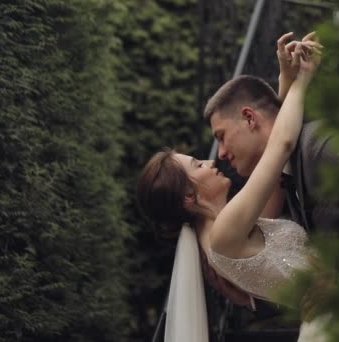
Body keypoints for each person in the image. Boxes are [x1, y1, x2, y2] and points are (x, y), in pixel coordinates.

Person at [137, 37, 322, 342]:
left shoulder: (233, 227)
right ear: (188, 195)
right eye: (197, 165)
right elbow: (281, 143)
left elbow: (270, 150)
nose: (213, 161)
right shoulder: (224, 235)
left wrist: (284, 81)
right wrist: (303, 78)